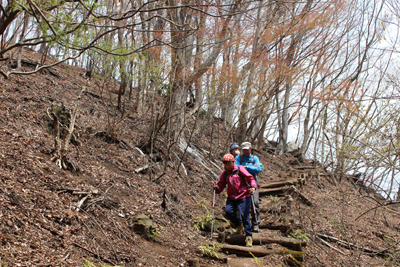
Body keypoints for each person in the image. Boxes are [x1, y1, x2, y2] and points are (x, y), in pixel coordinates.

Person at [212, 154, 257, 247]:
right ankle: (239, 225)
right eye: (225, 164)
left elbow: (250, 177)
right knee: (228, 212)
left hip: (244, 196)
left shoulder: (240, 169)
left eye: (229, 163)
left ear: (233, 162)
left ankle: (249, 236)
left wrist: (253, 186)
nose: (227, 165)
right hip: (232, 197)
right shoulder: (225, 173)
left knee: (245, 215)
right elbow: (221, 185)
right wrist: (216, 188)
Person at [235, 142, 261, 231]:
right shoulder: (238, 158)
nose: (245, 151)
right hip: (241, 184)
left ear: (251, 149)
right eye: (244, 150)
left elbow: (258, 169)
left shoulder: (255, 158)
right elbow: (236, 168)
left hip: (253, 184)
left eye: (247, 149)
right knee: (240, 204)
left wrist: (245, 168)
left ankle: (256, 223)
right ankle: (241, 224)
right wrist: (251, 167)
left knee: (255, 202)